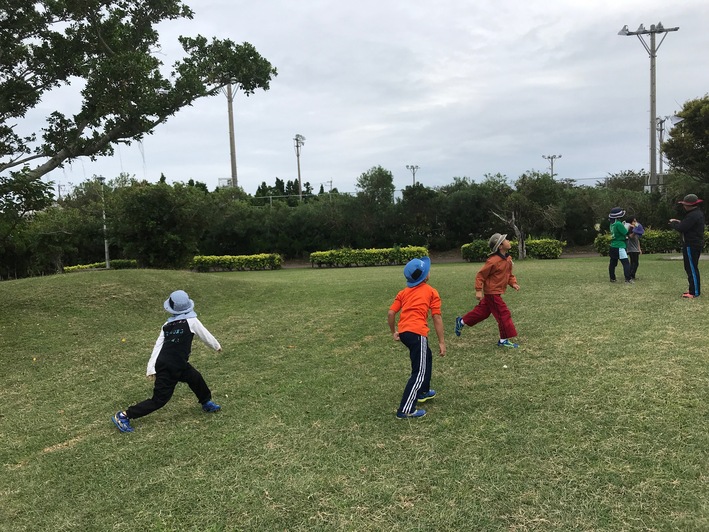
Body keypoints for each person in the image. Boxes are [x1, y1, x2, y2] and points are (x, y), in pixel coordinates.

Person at [112, 290, 223, 432]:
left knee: (195, 378)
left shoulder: (184, 322)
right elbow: (159, 346)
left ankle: (206, 402)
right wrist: (151, 369)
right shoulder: (170, 325)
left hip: (180, 364)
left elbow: (204, 335)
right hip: (167, 367)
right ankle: (123, 415)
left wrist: (216, 346)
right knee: (159, 400)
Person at [388, 256, 446, 419]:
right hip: (417, 333)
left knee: (426, 356)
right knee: (418, 372)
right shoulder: (431, 291)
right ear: (425, 276)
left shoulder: (403, 293)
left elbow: (391, 313)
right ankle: (405, 409)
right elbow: (437, 317)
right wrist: (442, 341)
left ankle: (423, 392)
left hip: (405, 333)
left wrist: (394, 331)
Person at [454, 233, 521, 348]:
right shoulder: (493, 261)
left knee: (483, 312)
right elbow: (480, 275)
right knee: (503, 313)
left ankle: (461, 322)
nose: (508, 240)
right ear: (500, 246)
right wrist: (479, 290)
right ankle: (503, 340)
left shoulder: (508, 259)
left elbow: (509, 274)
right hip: (492, 293)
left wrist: (513, 283)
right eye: (505, 240)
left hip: (496, 292)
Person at [669, 193, 705, 298]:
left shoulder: (692, 215)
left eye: (685, 204)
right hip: (694, 243)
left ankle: (694, 292)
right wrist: (679, 222)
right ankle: (693, 289)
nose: (684, 206)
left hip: (691, 244)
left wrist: (673, 224)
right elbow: (687, 225)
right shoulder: (697, 214)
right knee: (691, 267)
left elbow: (682, 228)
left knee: (691, 268)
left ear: (689, 205)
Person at [608, 207, 632, 284]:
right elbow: (625, 232)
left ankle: (612, 278)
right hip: (620, 246)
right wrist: (628, 226)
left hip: (613, 245)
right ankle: (628, 279)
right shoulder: (619, 224)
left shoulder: (612, 224)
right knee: (626, 263)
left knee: (613, 263)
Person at [625, 216, 645, 280]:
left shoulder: (636, 229)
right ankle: (631, 275)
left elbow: (637, 240)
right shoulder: (630, 229)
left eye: (635, 221)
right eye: (634, 221)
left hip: (636, 249)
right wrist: (634, 231)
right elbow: (630, 236)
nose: (635, 222)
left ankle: (631, 275)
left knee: (634, 263)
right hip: (631, 249)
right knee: (635, 263)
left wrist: (639, 249)